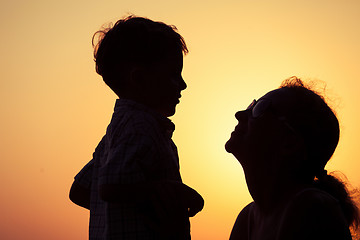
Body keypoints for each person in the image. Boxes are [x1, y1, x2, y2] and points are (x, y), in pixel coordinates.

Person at [69, 15, 204, 240]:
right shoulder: (140, 127)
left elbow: (81, 191)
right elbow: (111, 186)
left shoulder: (116, 133)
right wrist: (170, 193)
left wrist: (120, 212)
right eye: (174, 75)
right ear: (139, 78)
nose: (183, 85)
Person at [225, 77, 360, 240]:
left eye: (259, 108)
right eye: (252, 105)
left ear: (289, 142)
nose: (240, 114)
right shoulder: (247, 218)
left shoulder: (312, 209)